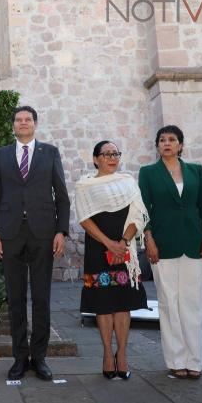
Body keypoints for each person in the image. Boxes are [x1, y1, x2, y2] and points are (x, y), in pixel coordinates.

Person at [0, 106, 70, 381]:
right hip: (10, 235)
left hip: (43, 233)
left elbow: (62, 195)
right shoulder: (1, 155)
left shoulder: (50, 152)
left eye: (28, 119)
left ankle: (40, 358)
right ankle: (20, 358)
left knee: (42, 297)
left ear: (35, 124)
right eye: (19, 120)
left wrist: (61, 232)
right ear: (13, 125)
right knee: (16, 298)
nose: (23, 123)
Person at [138, 125, 202, 380]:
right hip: (162, 244)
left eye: (172, 139)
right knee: (168, 302)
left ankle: (195, 361)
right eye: (162, 140)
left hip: (193, 243)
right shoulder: (148, 173)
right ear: (158, 146)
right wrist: (148, 239)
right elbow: (143, 209)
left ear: (181, 145)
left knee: (192, 303)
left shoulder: (195, 170)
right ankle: (175, 360)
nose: (167, 143)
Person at [76, 141, 148, 380]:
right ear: (96, 159)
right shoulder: (85, 185)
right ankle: (108, 353)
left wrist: (124, 242)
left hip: (125, 247)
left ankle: (123, 354)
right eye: (106, 154)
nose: (112, 157)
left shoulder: (128, 182)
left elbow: (138, 214)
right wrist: (109, 244)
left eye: (116, 153)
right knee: (103, 303)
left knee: (122, 302)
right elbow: (84, 218)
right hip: (99, 248)